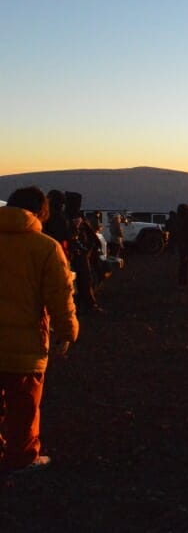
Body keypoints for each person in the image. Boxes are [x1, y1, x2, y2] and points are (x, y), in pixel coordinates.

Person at [0, 187, 79, 474]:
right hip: (25, 348)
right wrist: (67, 332)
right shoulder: (45, 247)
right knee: (24, 408)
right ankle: (22, 458)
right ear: (41, 211)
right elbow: (60, 295)